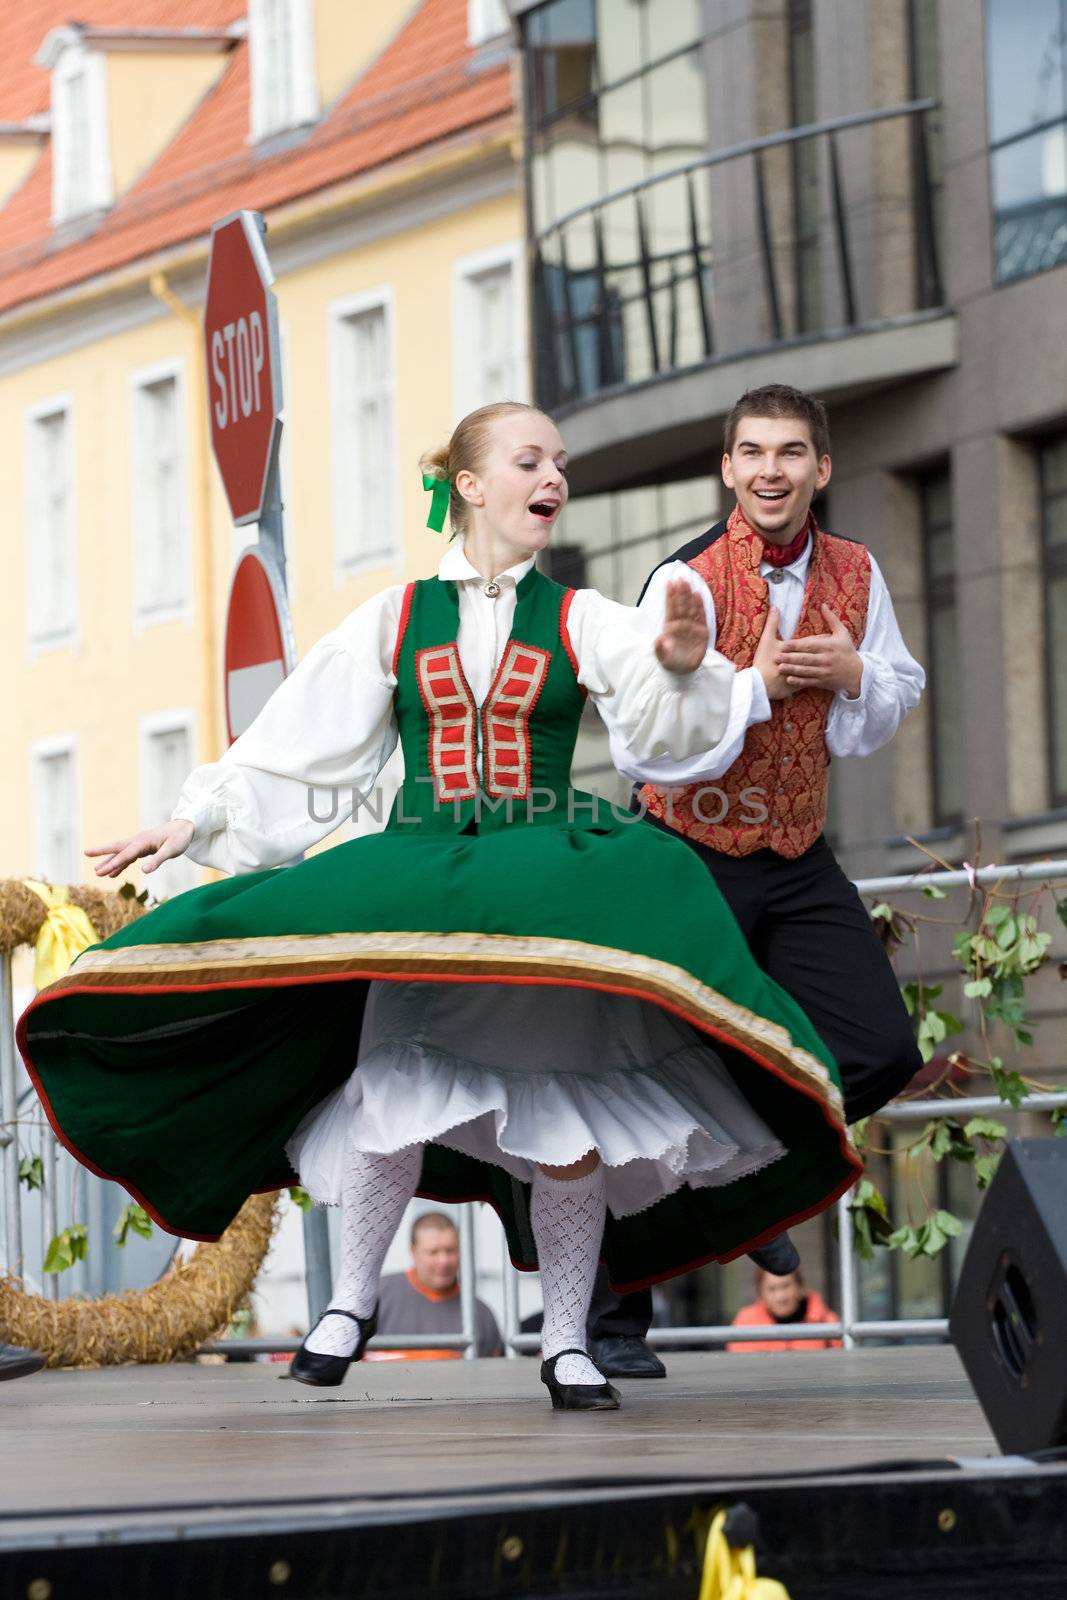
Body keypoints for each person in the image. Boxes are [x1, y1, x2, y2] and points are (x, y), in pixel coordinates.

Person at [18, 401, 861, 1415]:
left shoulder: (585, 616)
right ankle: (345, 1305)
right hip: (430, 879)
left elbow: (662, 726)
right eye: (528, 460)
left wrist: (683, 665)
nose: (552, 476)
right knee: (389, 1094)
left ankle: (564, 1340)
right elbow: (300, 746)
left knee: (565, 1122)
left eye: (559, 462)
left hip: (539, 892)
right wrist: (193, 822)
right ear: (468, 485)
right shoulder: (394, 615)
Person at [591, 383, 924, 1378]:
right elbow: (640, 745)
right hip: (685, 849)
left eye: (790, 453)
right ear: (727, 470)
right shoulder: (681, 580)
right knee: (646, 1073)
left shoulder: (856, 570)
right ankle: (612, 1325)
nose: (770, 470)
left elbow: (895, 686)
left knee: (877, 1049)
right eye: (752, 452)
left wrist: (852, 679)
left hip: (795, 849)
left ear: (819, 469)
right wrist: (754, 689)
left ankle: (739, 1195)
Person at [366, 1211, 501, 1361]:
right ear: (413, 1252)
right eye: (433, 1252)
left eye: (450, 1251)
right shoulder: (376, 1296)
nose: (444, 1261)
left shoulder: (480, 1314)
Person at [726, 1268, 841, 1352]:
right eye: (772, 1289)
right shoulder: (746, 1323)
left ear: (800, 1287)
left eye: (786, 1286)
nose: (780, 1297)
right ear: (761, 1293)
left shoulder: (826, 1320)